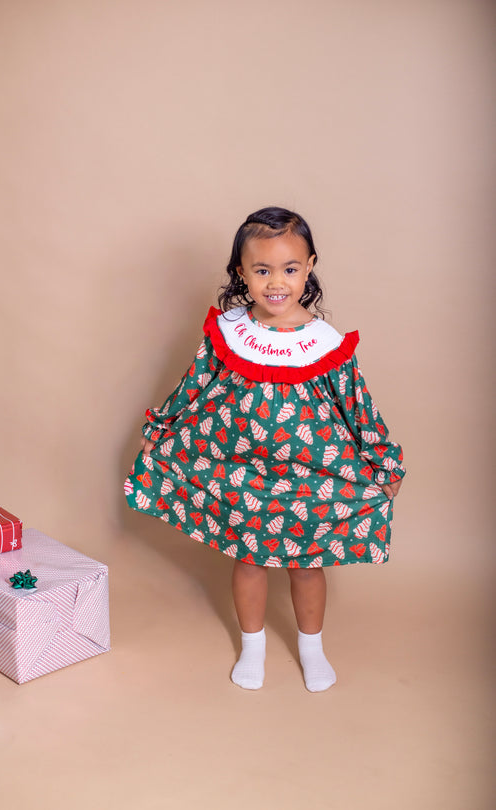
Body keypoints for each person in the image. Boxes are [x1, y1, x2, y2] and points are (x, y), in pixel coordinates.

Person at [125, 206, 405, 692]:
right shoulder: (229, 331)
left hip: (310, 473)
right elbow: (196, 383)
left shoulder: (325, 342)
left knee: (307, 562)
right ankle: (252, 645)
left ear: (310, 266)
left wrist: (383, 460)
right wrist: (164, 424)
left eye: (290, 269)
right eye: (262, 270)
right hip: (240, 469)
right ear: (242, 274)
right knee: (249, 559)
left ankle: (311, 647)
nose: (277, 282)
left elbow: (358, 406)